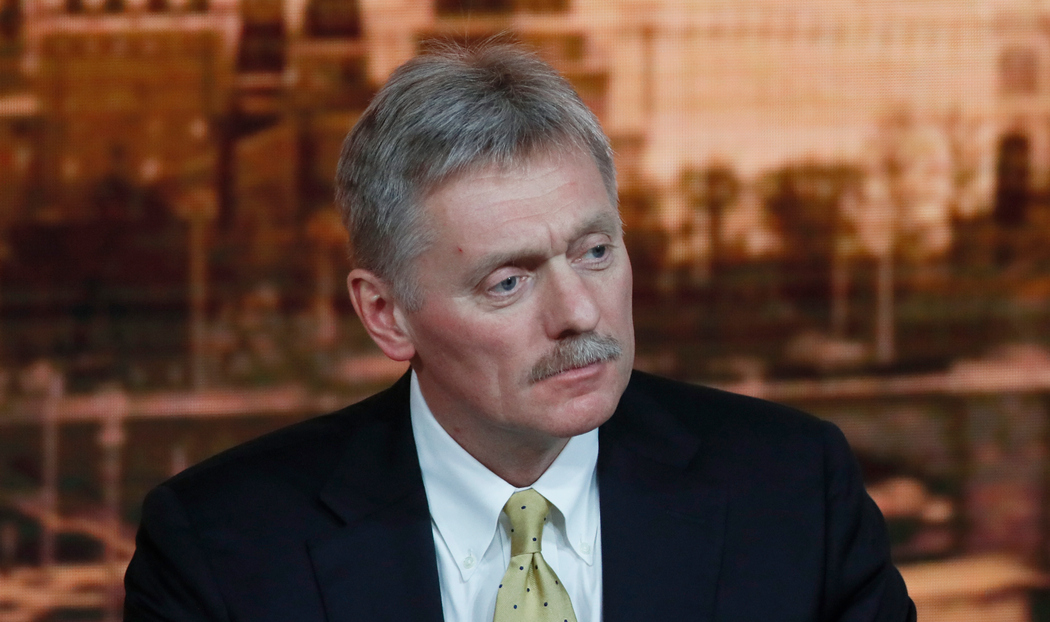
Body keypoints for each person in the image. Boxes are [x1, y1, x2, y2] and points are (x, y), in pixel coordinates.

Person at [124, 41, 916, 621]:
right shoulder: (221, 548)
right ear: (385, 315)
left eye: (595, 252)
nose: (579, 313)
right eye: (508, 281)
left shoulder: (792, 490)